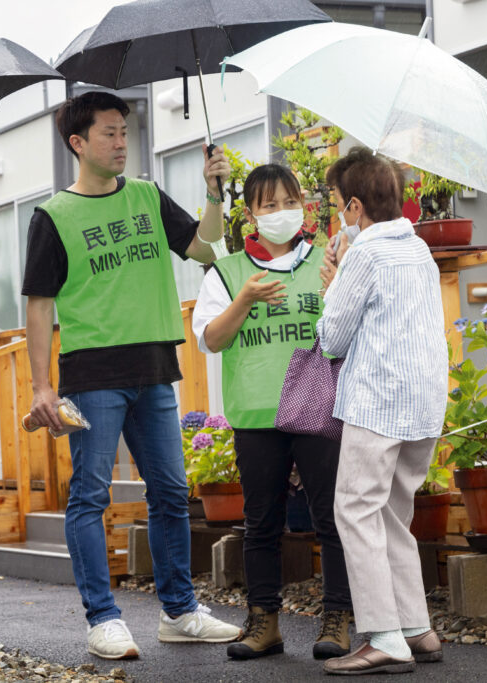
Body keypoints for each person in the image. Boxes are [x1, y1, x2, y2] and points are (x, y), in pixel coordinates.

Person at [22, 91, 242, 660]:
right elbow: (39, 306)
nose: (121, 143)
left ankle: (179, 612)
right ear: (78, 143)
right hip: (92, 375)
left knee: (171, 492)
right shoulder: (53, 217)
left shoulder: (146, 195)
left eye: (125, 132)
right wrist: (41, 386)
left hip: (154, 368)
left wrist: (215, 195)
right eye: (109, 134)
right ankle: (103, 619)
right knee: (89, 496)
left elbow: (204, 247)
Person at [191, 164, 354, 661]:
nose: (280, 212)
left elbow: (352, 323)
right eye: (268, 205)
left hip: (320, 409)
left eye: (289, 201)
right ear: (251, 214)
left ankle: (338, 619)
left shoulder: (329, 259)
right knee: (261, 522)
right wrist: (245, 298)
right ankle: (264, 622)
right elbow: (211, 340)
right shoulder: (229, 272)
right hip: (257, 414)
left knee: (331, 517)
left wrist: (336, 286)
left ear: (303, 204)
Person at [316, 147, 448, 675]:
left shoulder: (365, 256)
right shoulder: (418, 248)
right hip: (422, 401)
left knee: (355, 508)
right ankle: (416, 627)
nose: (336, 217)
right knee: (395, 511)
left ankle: (384, 636)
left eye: (336, 207)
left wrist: (333, 285)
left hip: (377, 399)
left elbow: (331, 338)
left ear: (353, 207)